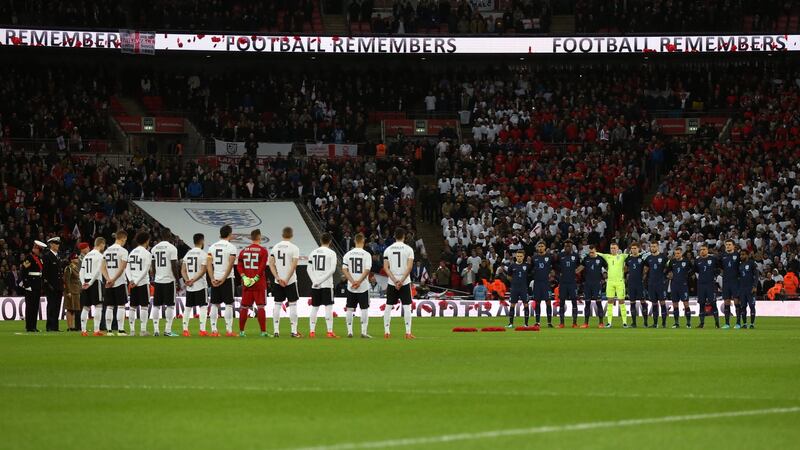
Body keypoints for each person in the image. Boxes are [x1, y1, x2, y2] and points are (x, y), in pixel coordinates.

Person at [382, 227, 415, 339]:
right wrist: (401, 280)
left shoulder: (387, 250)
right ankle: (408, 332)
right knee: (406, 307)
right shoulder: (409, 249)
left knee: (388, 306)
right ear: (404, 236)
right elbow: (409, 267)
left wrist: (395, 280)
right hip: (405, 282)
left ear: (394, 236)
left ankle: (387, 331)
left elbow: (386, 268)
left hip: (392, 282)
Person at [269, 227, 302, 338]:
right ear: (292, 235)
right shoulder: (294, 248)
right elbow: (294, 266)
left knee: (277, 304)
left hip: (278, 281)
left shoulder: (275, 247)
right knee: (293, 305)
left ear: (282, 235)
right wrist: (287, 279)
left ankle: (276, 331)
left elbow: (271, 264)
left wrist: (277, 278)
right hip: (290, 281)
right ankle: (293, 331)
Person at [236, 229, 269, 337]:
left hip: (247, 283)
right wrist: (255, 278)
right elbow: (262, 266)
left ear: (251, 238)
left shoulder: (243, 251)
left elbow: (239, 265)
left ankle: (241, 332)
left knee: (244, 307)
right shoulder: (263, 251)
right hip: (258, 283)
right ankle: (263, 332)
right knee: (260, 307)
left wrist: (244, 277)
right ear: (259, 238)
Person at [207, 225, 238, 337]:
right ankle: (229, 330)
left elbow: (209, 264)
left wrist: (211, 278)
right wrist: (224, 278)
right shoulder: (231, 247)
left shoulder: (212, 247)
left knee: (215, 304)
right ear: (230, 234)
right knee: (229, 304)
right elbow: (230, 264)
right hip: (227, 279)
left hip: (215, 278)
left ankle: (214, 330)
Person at [342, 233, 373, 338]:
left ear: (354, 241)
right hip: (363, 286)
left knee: (350, 309)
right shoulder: (367, 254)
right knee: (364, 309)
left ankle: (349, 332)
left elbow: (344, 269)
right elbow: (367, 270)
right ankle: (363, 332)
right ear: (363, 241)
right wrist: (359, 281)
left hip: (351, 286)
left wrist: (352, 281)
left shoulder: (348, 254)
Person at [307, 233, 339, 338]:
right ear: (330, 241)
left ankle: (312, 331)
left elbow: (308, 269)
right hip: (327, 284)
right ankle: (329, 331)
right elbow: (332, 270)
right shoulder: (332, 253)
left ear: (320, 240)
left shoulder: (313, 252)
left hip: (315, 284)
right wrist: (321, 280)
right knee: (328, 308)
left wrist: (315, 281)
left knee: (314, 308)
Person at [151, 230, 180, 336]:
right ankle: (167, 330)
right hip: (169, 280)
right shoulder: (172, 248)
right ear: (169, 236)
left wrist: (155, 277)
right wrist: (177, 280)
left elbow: (153, 266)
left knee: (156, 306)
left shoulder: (154, 248)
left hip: (158, 280)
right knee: (170, 305)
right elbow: (174, 266)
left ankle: (156, 330)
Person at [181, 233, 209, 336]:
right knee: (203, 307)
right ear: (202, 241)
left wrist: (187, 280)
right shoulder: (203, 254)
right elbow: (202, 271)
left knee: (188, 307)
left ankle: (185, 330)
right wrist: (193, 280)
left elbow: (183, 270)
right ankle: (202, 330)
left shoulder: (188, 254)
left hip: (190, 287)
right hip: (200, 285)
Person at [79, 237, 108, 336]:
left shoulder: (86, 256)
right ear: (101, 244)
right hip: (95, 282)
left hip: (86, 281)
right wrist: (90, 283)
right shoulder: (100, 256)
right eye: (104, 245)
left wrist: (83, 282)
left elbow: (81, 271)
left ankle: (83, 331)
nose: (104, 246)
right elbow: (98, 271)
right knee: (98, 306)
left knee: (86, 307)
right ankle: (96, 330)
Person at [126, 232, 152, 336]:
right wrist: (136, 281)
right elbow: (145, 270)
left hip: (133, 283)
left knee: (132, 307)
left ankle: (132, 331)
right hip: (142, 283)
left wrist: (131, 280)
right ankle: (143, 330)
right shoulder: (147, 253)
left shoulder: (132, 252)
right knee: (144, 306)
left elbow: (127, 268)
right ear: (146, 241)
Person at [103, 231, 129, 335]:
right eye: (125, 240)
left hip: (108, 282)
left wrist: (108, 279)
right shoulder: (123, 251)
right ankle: (120, 330)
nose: (125, 242)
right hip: (119, 282)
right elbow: (122, 268)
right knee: (121, 306)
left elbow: (102, 267)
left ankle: (109, 330)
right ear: (123, 238)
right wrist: (113, 280)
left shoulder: (106, 251)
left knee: (109, 306)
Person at [597, 242, 628, 328]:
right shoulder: (608, 256)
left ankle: (624, 322)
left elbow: (633, 254)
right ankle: (609, 322)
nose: (613, 250)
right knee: (610, 301)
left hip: (619, 282)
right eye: (611, 248)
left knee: (621, 301)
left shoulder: (622, 256)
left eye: (614, 248)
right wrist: (592, 252)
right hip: (610, 282)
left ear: (618, 249)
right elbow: (600, 254)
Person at [21, 240, 47, 332]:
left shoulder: (39, 258)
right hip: (30, 284)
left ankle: (34, 326)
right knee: (30, 306)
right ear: (35, 249)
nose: (39, 252)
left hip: (37, 284)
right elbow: (24, 271)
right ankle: (29, 326)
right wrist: (26, 284)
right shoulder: (29, 258)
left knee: (35, 306)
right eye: (38, 249)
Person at [694, 244, 720, 328]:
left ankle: (717, 323)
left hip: (710, 284)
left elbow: (718, 268)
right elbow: (696, 270)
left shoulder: (713, 259)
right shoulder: (697, 260)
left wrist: (715, 275)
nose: (702, 251)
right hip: (701, 285)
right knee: (701, 303)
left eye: (704, 249)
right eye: (701, 249)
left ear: (707, 250)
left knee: (713, 303)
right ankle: (701, 323)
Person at [666, 247, 693, 328]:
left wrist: (687, 278)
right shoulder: (672, 262)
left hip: (683, 286)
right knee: (675, 304)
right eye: (675, 253)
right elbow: (668, 271)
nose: (676, 255)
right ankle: (676, 323)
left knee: (686, 304)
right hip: (674, 285)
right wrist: (669, 275)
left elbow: (691, 271)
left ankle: (688, 323)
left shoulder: (686, 262)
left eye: (678, 253)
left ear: (681, 253)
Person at [556, 240, 580, 328]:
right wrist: (559, 272)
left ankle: (574, 323)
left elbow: (581, 265)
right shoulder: (560, 255)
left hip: (572, 283)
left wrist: (577, 272)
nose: (567, 247)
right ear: (564, 246)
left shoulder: (575, 256)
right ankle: (562, 323)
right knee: (561, 302)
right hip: (563, 283)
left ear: (572, 246)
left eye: (569, 246)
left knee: (574, 302)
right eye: (566, 246)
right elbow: (555, 265)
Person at [644, 241, 668, 328]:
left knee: (662, 302)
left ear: (657, 247)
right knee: (654, 303)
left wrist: (665, 276)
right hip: (651, 284)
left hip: (660, 283)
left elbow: (668, 268)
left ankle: (664, 323)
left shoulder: (663, 257)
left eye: (654, 246)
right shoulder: (648, 258)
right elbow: (646, 269)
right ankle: (655, 323)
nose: (653, 248)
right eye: (651, 247)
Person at [505, 249, 531, 328]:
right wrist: (514, 282)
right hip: (514, 288)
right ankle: (510, 323)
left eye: (521, 256)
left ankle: (526, 324)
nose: (519, 258)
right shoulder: (512, 266)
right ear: (516, 257)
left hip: (523, 288)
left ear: (523, 257)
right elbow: (508, 276)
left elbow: (529, 275)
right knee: (512, 304)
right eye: (518, 256)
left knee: (526, 304)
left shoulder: (527, 266)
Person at [42, 237, 63, 332]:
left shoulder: (58, 256)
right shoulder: (47, 256)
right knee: (51, 306)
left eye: (58, 244)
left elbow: (59, 273)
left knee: (57, 306)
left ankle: (55, 326)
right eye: (56, 243)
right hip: (51, 286)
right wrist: (48, 284)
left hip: (58, 286)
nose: (58, 245)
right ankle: (50, 326)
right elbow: (45, 272)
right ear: (51, 245)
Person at [581, 246, 605, 328]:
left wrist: (606, 277)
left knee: (598, 303)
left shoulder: (600, 259)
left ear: (596, 251)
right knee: (587, 303)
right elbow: (579, 269)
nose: (591, 254)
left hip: (597, 284)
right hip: (587, 284)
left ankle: (601, 323)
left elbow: (608, 268)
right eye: (590, 252)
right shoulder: (586, 259)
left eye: (592, 252)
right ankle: (586, 323)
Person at [531, 241, 553, 327]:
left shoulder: (549, 257)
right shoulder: (534, 258)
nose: (540, 248)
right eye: (539, 246)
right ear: (537, 248)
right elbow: (531, 269)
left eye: (542, 246)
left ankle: (549, 322)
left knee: (548, 302)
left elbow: (554, 267)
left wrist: (552, 274)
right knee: (537, 302)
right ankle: (537, 322)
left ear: (545, 247)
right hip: (537, 283)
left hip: (546, 283)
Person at [720, 239, 741, 329]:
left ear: (733, 246)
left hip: (735, 282)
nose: (728, 246)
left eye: (729, 244)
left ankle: (738, 323)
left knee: (736, 302)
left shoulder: (737, 255)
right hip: (726, 282)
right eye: (726, 245)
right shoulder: (723, 256)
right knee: (726, 302)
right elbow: (720, 267)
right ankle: (727, 324)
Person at [625, 243, 647, 328]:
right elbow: (626, 269)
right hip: (631, 283)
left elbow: (646, 269)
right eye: (632, 248)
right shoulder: (628, 259)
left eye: (635, 248)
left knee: (642, 302)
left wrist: (644, 276)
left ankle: (645, 323)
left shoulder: (642, 258)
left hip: (639, 283)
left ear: (639, 249)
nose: (633, 250)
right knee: (632, 303)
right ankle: (634, 323)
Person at [738, 249, 758, 329]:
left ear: (747, 255)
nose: (741, 256)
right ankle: (745, 324)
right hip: (742, 289)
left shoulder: (752, 263)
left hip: (750, 288)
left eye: (743, 254)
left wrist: (755, 286)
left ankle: (752, 324)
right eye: (741, 255)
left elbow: (756, 275)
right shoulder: (740, 265)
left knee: (752, 306)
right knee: (743, 306)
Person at [63, 252, 82, 331]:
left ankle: (72, 326)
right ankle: (69, 326)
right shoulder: (69, 268)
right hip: (71, 291)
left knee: (74, 309)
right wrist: (68, 292)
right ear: (71, 260)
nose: (77, 259)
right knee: (70, 309)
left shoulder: (76, 268)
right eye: (75, 258)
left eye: (77, 258)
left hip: (76, 291)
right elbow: (66, 281)